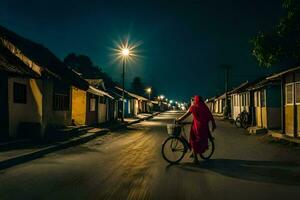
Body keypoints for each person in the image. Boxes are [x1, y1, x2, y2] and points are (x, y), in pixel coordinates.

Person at [175, 95, 216, 163]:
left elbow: (186, 115)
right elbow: (210, 115)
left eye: (194, 100)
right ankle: (194, 153)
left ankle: (195, 159)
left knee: (193, 140)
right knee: (199, 140)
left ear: (195, 100)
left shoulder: (193, 107)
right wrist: (213, 124)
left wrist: (178, 120)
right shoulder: (204, 107)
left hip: (197, 127)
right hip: (204, 127)